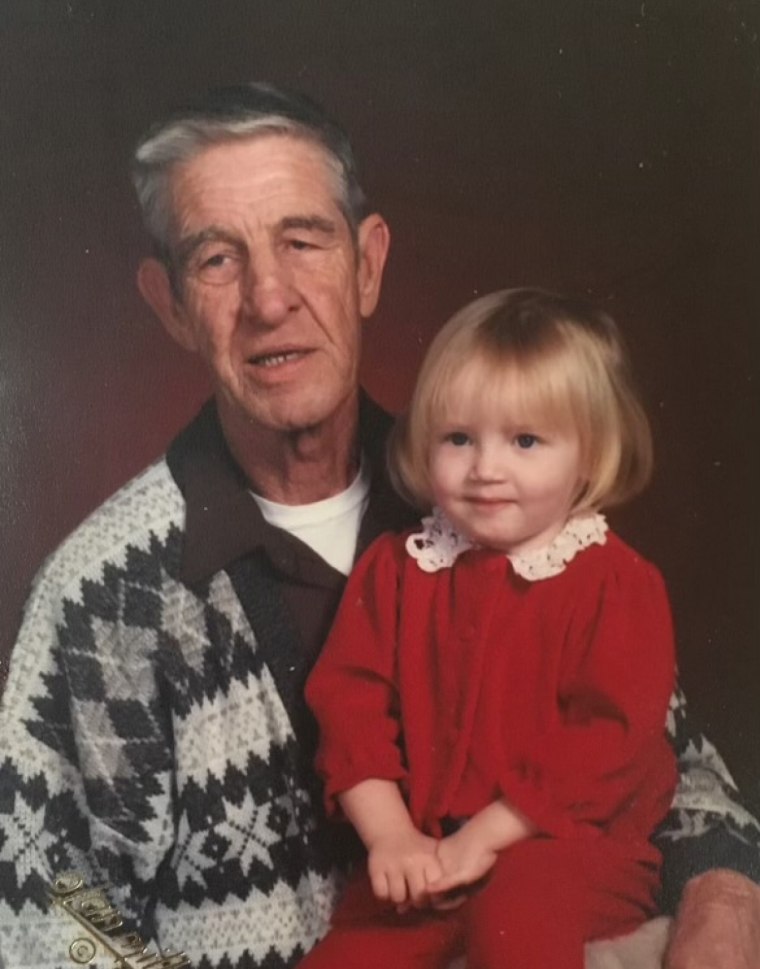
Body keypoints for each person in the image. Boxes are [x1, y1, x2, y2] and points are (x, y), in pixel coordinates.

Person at [0, 82, 757, 969]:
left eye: (302, 240)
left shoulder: (498, 513)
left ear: (367, 265)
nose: (268, 297)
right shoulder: (104, 591)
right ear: (168, 304)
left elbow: (670, 766)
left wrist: (726, 898)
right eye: (216, 259)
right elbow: (50, 888)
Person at [300, 288, 677, 968]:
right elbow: (348, 707)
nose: (485, 468)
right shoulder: (398, 567)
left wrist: (490, 835)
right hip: (432, 855)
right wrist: (390, 835)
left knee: (518, 908)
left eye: (526, 440)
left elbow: (610, 740)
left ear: (589, 455)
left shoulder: (615, 583)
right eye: (458, 438)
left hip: (569, 848)